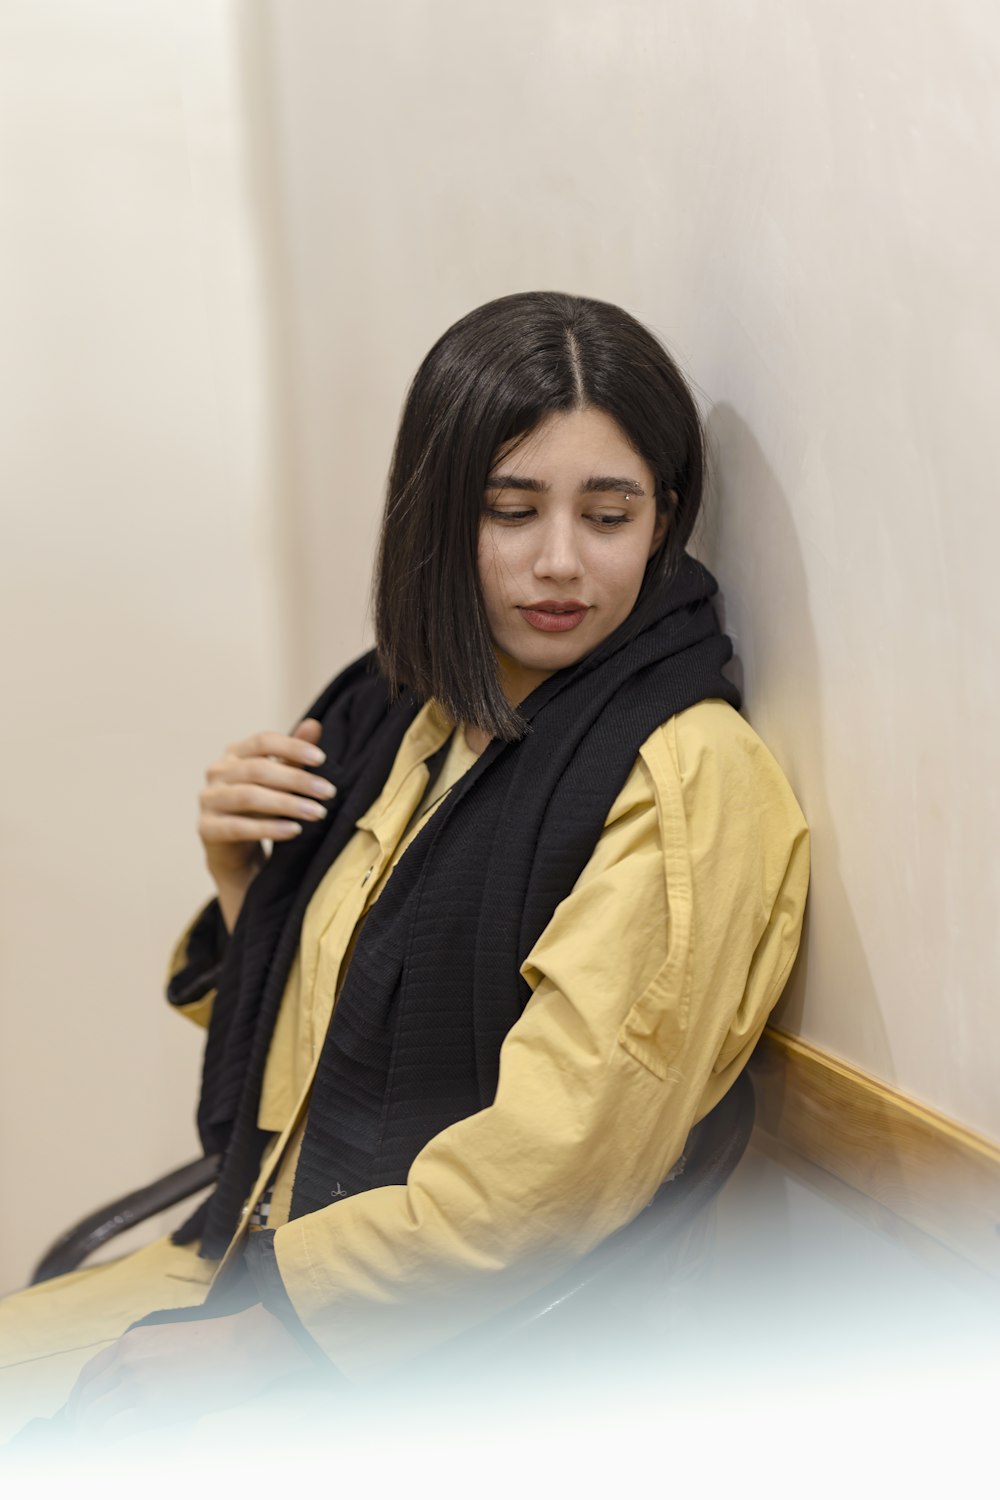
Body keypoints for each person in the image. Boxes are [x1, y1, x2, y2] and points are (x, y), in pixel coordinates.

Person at [0, 290, 809, 1443]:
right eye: (511, 510)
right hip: (255, 1269)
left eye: (609, 514)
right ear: (438, 517)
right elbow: (330, 1063)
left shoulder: (680, 776)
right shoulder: (408, 711)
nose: (559, 563)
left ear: (665, 518)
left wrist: (268, 1336)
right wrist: (250, 882)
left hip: (417, 1353)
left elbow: (551, 1171)